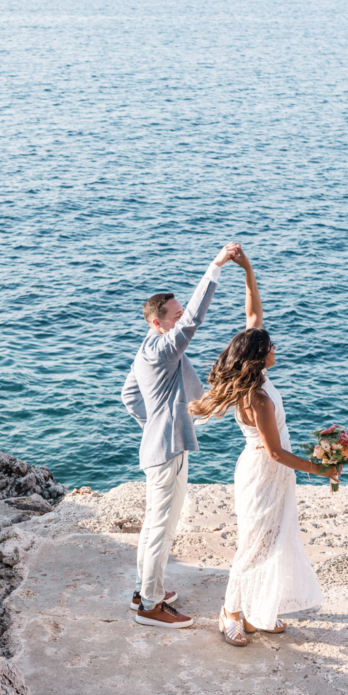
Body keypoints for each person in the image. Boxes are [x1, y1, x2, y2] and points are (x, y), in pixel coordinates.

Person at [188, 249, 336, 646]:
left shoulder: (254, 378)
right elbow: (275, 452)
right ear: (259, 357)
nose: (275, 349)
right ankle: (230, 613)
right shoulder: (259, 398)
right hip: (265, 474)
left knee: (274, 540)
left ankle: (259, 611)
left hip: (268, 472)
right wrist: (321, 469)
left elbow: (254, 318)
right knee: (255, 545)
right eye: (271, 346)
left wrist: (248, 271)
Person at [121, 242, 245, 628]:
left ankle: (145, 591)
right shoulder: (164, 348)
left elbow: (128, 396)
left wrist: (157, 422)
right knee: (161, 527)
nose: (180, 320)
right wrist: (216, 266)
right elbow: (194, 318)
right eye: (173, 316)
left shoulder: (146, 349)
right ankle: (151, 607)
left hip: (160, 446)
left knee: (157, 525)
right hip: (167, 452)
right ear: (158, 322)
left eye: (177, 315)